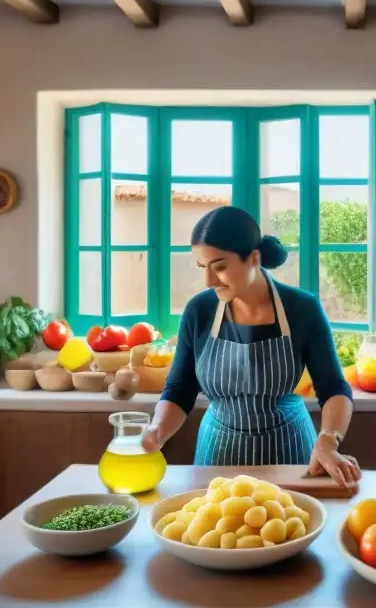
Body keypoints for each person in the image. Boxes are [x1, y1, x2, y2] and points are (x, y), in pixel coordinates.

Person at [141, 205, 362, 488]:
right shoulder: (199, 311)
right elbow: (180, 390)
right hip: (217, 455)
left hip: (290, 452)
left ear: (253, 258)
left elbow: (333, 388)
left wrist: (329, 441)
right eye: (202, 267)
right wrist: (157, 431)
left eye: (219, 267)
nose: (209, 281)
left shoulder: (302, 309)